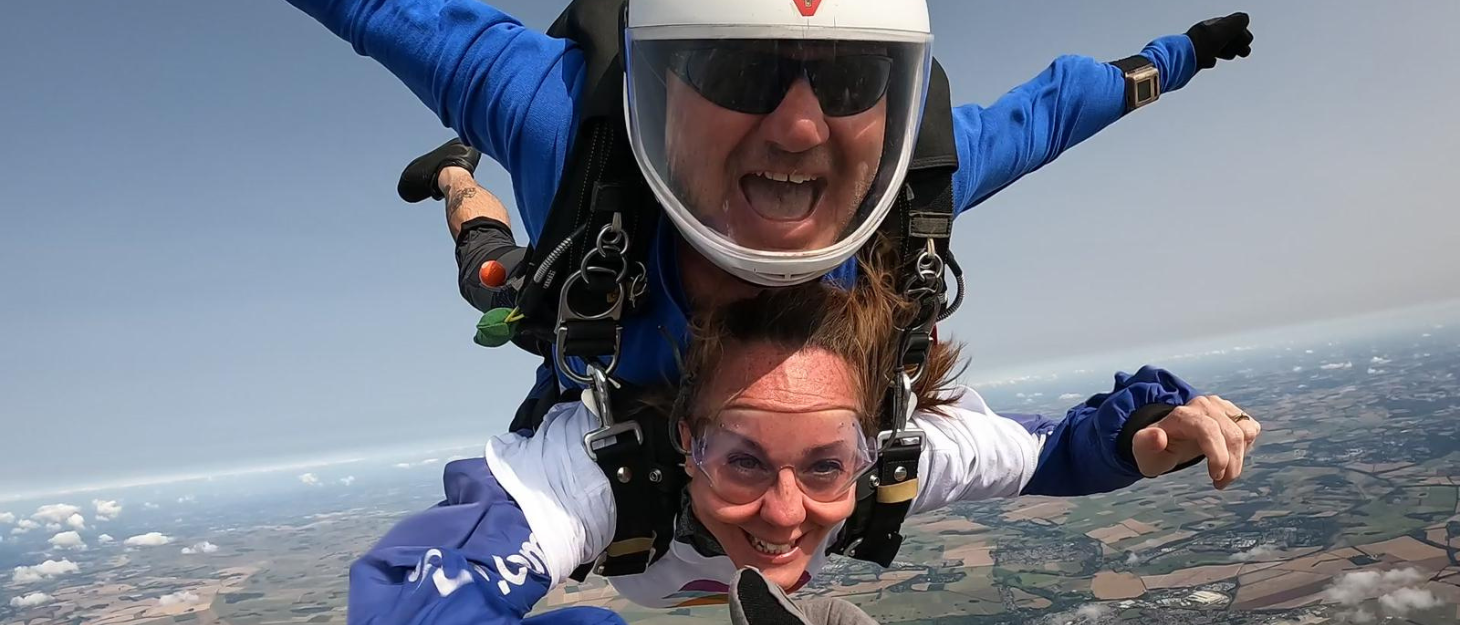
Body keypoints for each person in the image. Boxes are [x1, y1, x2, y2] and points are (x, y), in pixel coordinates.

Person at [287, 0, 1256, 391]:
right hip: (582, 314)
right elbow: (378, 9)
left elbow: (1054, 111)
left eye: (846, 81)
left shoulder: (901, 179)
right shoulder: (556, 113)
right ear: (654, 80)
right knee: (496, 285)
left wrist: (1182, 57)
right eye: (734, 68)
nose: (798, 129)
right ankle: (456, 174)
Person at [348, 271, 1262, 623]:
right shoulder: (591, 476)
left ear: (866, 448)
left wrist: (1152, 438)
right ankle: (460, 184)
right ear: (683, 442)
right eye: (741, 458)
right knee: (495, 271)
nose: (787, 513)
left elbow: (1055, 449)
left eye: (825, 464)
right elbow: (418, 598)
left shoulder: (895, 456)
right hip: (532, 289)